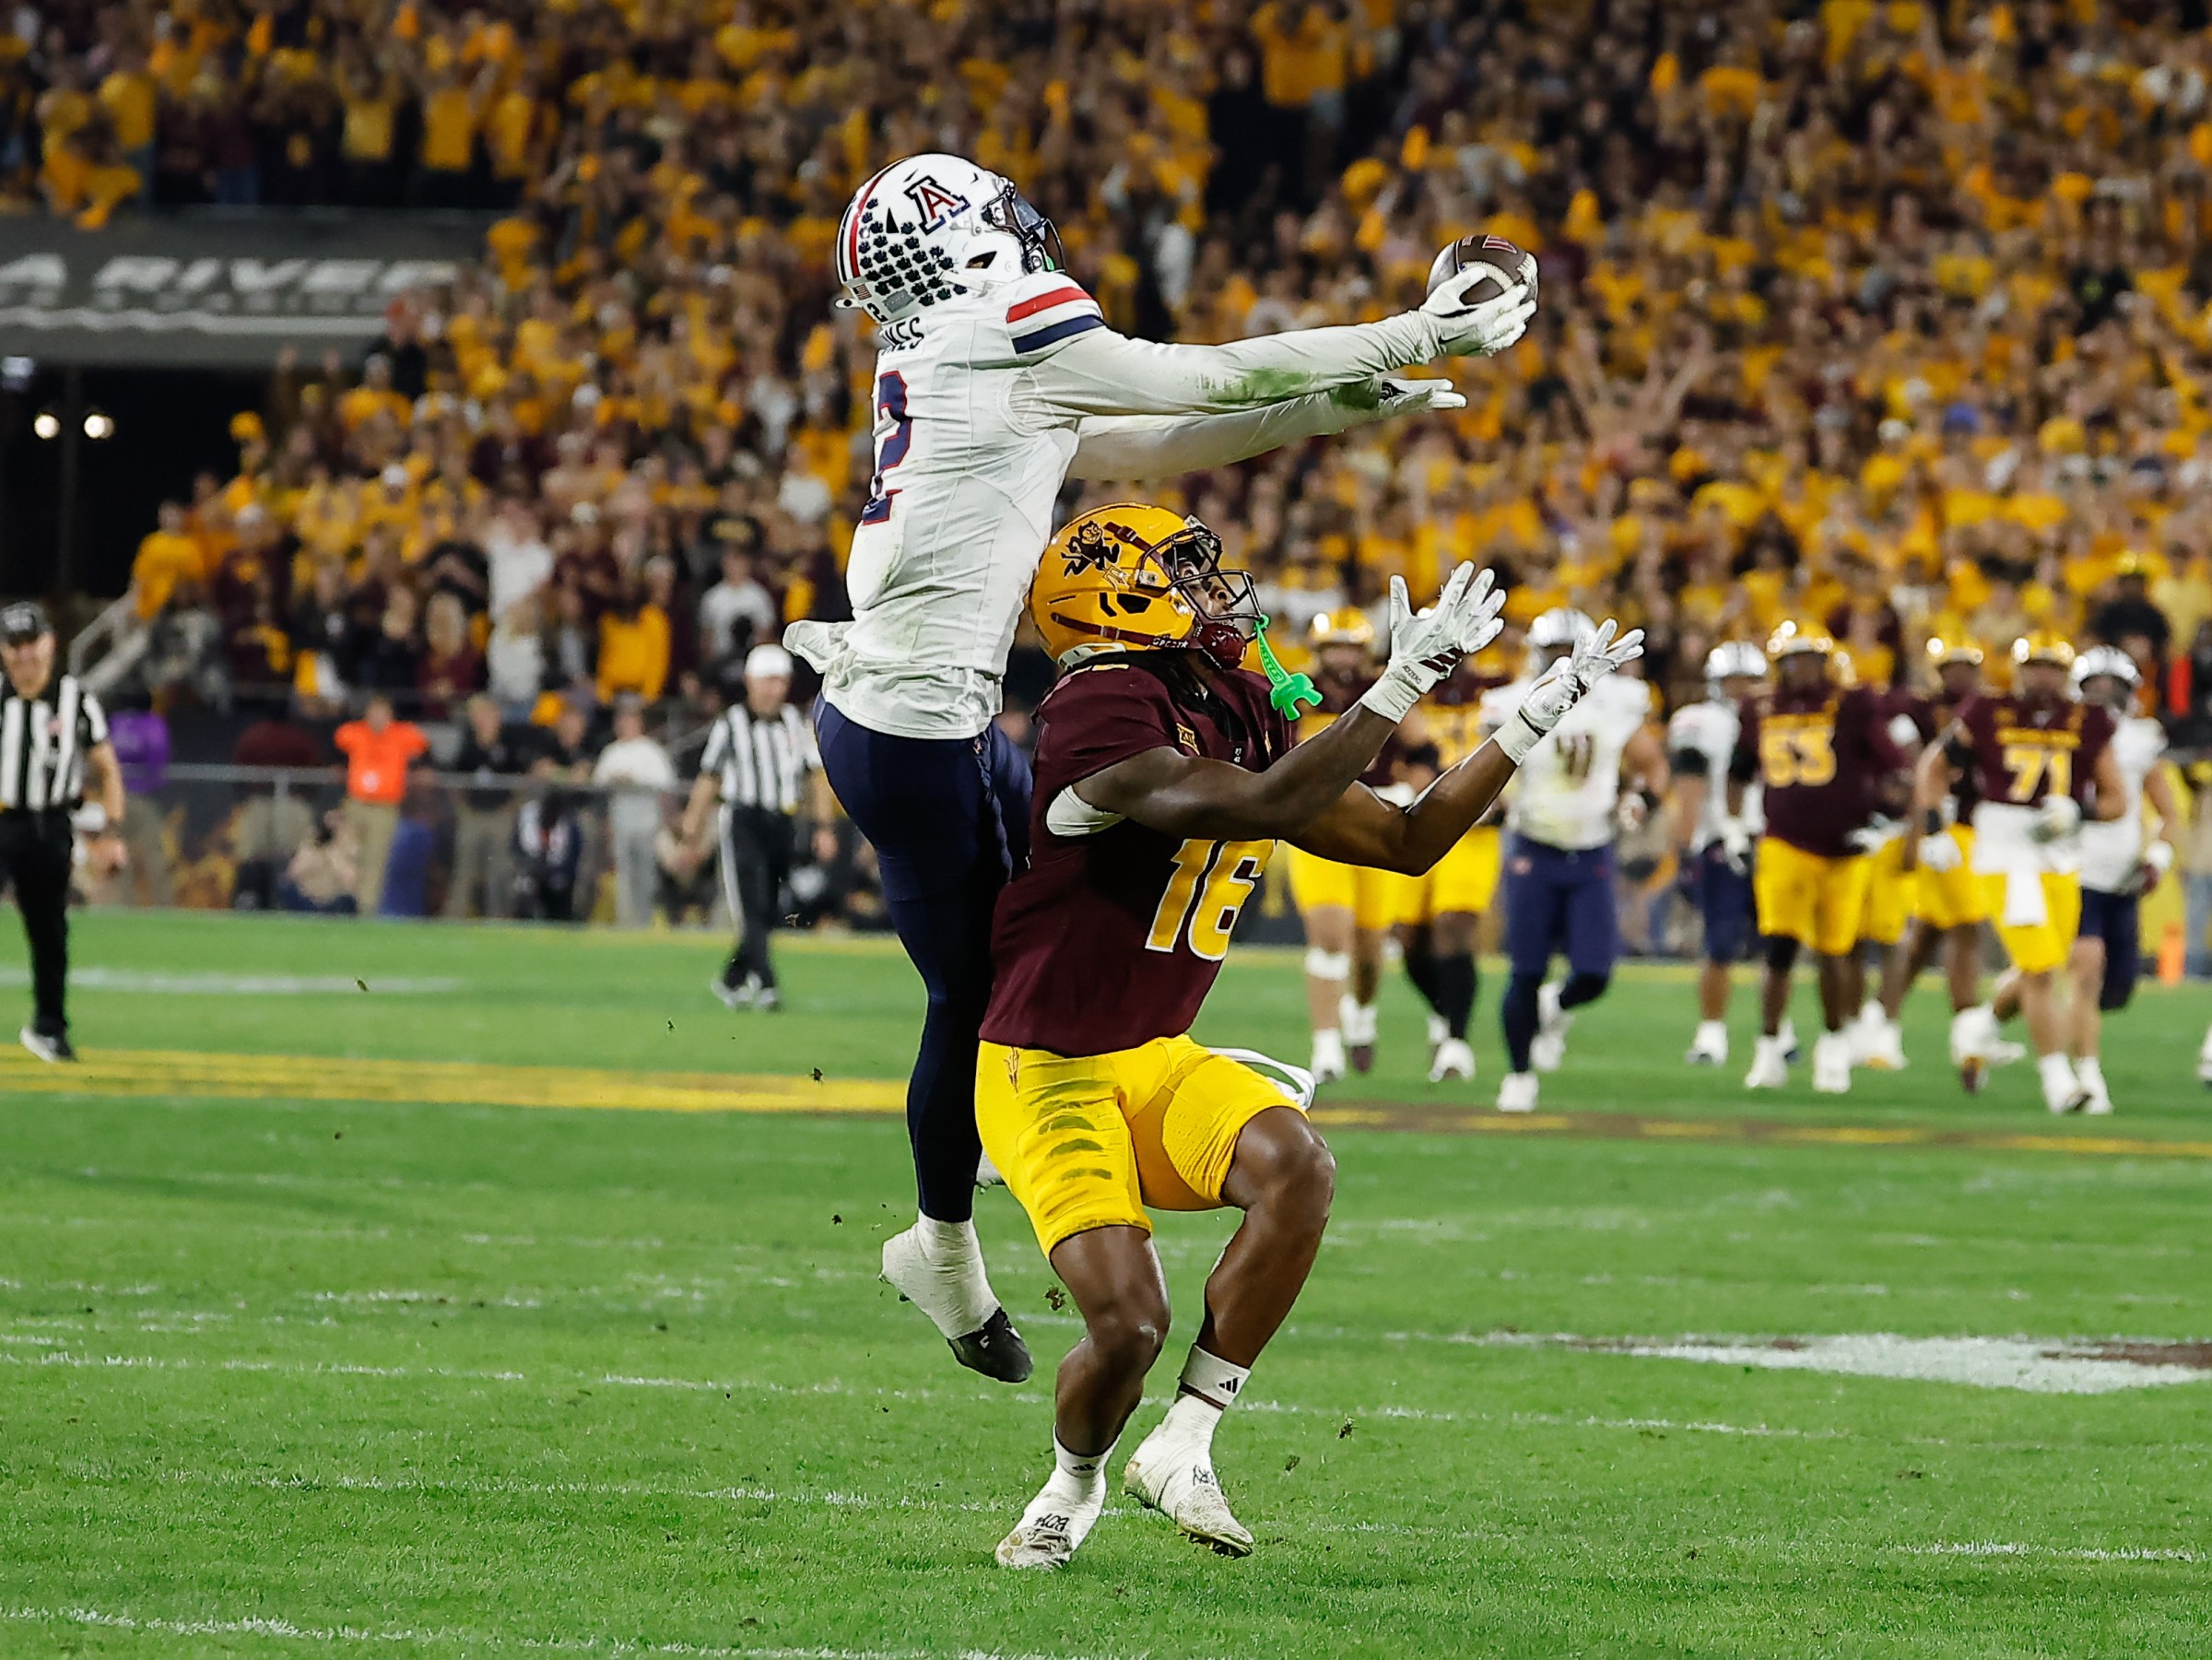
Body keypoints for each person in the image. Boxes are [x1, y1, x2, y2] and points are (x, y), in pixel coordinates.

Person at [782, 151, 1534, 1383]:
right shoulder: (1006, 318)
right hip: (913, 731)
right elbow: (1209, 375)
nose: (1027, 224)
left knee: (996, 976)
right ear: (963, 237)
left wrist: (1345, 399)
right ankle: (954, 1237)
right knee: (986, 999)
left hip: (914, 716)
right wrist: (1410, 332)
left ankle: (965, 1215)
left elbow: (1155, 439)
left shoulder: (948, 342)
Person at [976, 506, 1639, 1568]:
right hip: (1046, 1066)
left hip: (1153, 1053)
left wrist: (1523, 723)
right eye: (1182, 570)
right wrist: (1398, 685)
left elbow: (1408, 839)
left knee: (1296, 1165)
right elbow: (1266, 800)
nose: (1215, 584)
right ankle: (1074, 1481)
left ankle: (1184, 1441)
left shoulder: (1230, 695)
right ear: (1113, 593)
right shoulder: (1098, 708)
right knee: (1128, 1328)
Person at [1911, 633, 2126, 1114]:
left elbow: (2117, 801)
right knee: (2038, 969)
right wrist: (1933, 829)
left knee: (2047, 962)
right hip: (2005, 853)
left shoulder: (2089, 721)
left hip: (2061, 856)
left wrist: (2079, 812)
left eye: (2053, 667)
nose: (2044, 676)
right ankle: (2058, 1082)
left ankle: (1982, 1025)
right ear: (2019, 669)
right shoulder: (1988, 712)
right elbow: (1933, 767)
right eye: (2036, 666)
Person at [1479, 607, 1668, 1113]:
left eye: (1571, 651)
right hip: (1533, 847)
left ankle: (1556, 1006)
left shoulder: (1615, 703)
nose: (1564, 662)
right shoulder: (1511, 701)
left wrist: (1640, 799)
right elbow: (1486, 770)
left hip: (1591, 849)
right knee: (1525, 971)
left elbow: (1651, 764)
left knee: (1594, 973)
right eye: (1554, 652)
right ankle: (1519, 1075)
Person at [1732, 624, 1909, 1095]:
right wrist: (1734, 826)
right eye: (1794, 658)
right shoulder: (1759, 707)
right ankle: (1768, 1047)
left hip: (1843, 848)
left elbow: (1895, 767)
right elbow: (1738, 771)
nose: (1803, 667)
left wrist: (1887, 817)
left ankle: (1833, 1043)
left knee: (1835, 952)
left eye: (1811, 658)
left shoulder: (1852, 704)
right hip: (1784, 841)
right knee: (1780, 947)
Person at [1871, 638, 2021, 1087]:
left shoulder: (1989, 712)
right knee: (1967, 927)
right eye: (1950, 668)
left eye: (1966, 667)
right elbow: (1918, 771)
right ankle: (1966, 1039)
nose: (1959, 676)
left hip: (1975, 827)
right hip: (1942, 828)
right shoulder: (1916, 711)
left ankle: (1880, 1023)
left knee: (1925, 935)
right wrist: (1923, 830)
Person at [1280, 609, 1414, 1081]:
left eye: (1350, 648)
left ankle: (1362, 1012)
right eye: (1334, 647)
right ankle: (1326, 1047)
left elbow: (1423, 750)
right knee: (1330, 931)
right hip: (1315, 822)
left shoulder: (1385, 689)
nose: (1342, 658)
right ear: (1318, 651)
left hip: (1372, 821)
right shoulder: (1292, 690)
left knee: (1371, 945)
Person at [0, 602, 127, 1061]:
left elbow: (107, 770)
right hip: (3, 818)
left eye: (30, 644)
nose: (23, 656)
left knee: (49, 930)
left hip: (50, 823)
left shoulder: (74, 698)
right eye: (13, 646)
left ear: (49, 644)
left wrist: (111, 832)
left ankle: (49, 1029)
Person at [2061, 647, 2178, 1113]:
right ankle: (2088, 1079)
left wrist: (2157, 858)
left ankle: (1990, 1019)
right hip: (2075, 869)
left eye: (2114, 686)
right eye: (2096, 686)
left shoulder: (2141, 738)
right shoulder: (2061, 734)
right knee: (2086, 974)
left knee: (2116, 989)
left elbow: (2167, 813)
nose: (2105, 696)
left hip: (2122, 879)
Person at [679, 645, 826, 1010]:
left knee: (771, 909)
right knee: (752, 904)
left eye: (779, 681)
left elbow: (815, 776)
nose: (772, 689)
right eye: (766, 681)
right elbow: (709, 778)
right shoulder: (731, 723)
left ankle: (731, 979)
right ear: (749, 682)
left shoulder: (796, 722)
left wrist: (823, 826)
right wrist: (691, 829)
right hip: (743, 821)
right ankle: (767, 983)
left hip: (783, 821)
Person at [1395, 653, 1510, 1083]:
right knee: (1410, 941)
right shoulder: (1407, 690)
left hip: (1475, 832)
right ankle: (1446, 1014)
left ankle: (1458, 1042)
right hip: (1421, 824)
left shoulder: (1499, 689)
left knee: (1453, 926)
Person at [1666, 640, 1768, 1065]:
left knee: (1776, 947)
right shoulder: (1699, 721)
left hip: (1773, 839)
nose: (1742, 688)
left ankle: (1775, 1035)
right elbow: (1690, 788)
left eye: (1749, 680)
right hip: (1719, 841)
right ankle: (1711, 1034)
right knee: (1721, 942)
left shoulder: (1779, 717)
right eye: (1734, 680)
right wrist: (1686, 848)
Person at [333, 691, 429, 916]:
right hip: (357, 803)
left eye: (382, 713)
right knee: (346, 854)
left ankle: (366, 909)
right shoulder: (355, 732)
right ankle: (343, 903)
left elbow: (423, 747)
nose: (377, 717)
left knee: (375, 859)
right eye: (373, 712)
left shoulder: (402, 734)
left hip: (384, 807)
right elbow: (338, 742)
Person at [592, 695, 677, 929]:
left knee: (646, 876)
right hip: (621, 822)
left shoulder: (652, 752)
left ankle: (645, 921)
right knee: (624, 875)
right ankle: (626, 922)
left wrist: (634, 780)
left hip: (647, 823)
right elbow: (598, 783)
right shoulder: (612, 752)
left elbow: (665, 786)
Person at [444, 695, 532, 920]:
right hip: (473, 814)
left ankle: (498, 918)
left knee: (499, 870)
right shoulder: (468, 746)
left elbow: (523, 780)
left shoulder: (510, 744)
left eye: (485, 715)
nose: (481, 721)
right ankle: (455, 916)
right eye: (477, 716)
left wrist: (512, 808)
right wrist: (462, 807)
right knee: (464, 868)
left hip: (500, 815)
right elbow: (455, 780)